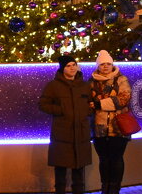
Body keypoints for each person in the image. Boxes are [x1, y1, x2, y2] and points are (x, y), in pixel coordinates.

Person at [39, 55, 93, 194]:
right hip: (62, 133)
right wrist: (61, 110)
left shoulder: (85, 85)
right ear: (63, 68)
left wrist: (87, 110)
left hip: (81, 133)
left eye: (74, 64)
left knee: (79, 171)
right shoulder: (53, 85)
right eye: (68, 65)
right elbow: (43, 105)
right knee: (61, 171)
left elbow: (91, 104)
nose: (72, 68)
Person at [87, 50, 131, 194]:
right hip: (98, 128)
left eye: (108, 63)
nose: (105, 66)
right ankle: (105, 188)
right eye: (102, 64)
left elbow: (123, 100)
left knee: (116, 159)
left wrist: (100, 104)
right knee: (104, 160)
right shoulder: (92, 81)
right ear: (98, 65)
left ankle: (114, 189)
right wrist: (105, 103)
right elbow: (88, 103)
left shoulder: (121, 79)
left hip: (118, 127)